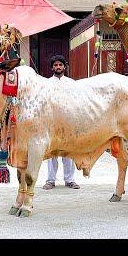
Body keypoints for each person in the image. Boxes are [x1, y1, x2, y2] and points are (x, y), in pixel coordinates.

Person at [42, 54, 80, 190]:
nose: (58, 67)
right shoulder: (46, 83)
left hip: (68, 123)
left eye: (60, 65)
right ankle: (50, 180)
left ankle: (70, 180)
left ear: (64, 66)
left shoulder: (71, 83)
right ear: (52, 67)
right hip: (51, 123)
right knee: (52, 153)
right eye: (55, 65)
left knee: (68, 152)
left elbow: (76, 101)